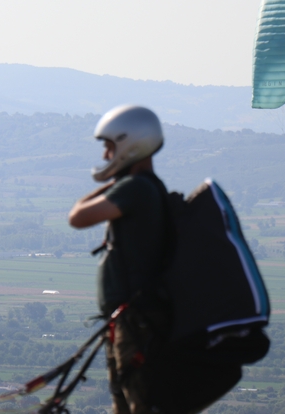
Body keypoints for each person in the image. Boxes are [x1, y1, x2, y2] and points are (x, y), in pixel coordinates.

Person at [68, 105, 171, 414]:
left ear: (131, 145)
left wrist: (112, 181)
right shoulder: (148, 187)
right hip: (131, 320)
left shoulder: (136, 188)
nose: (105, 157)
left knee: (138, 404)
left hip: (135, 324)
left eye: (110, 148)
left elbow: (78, 217)